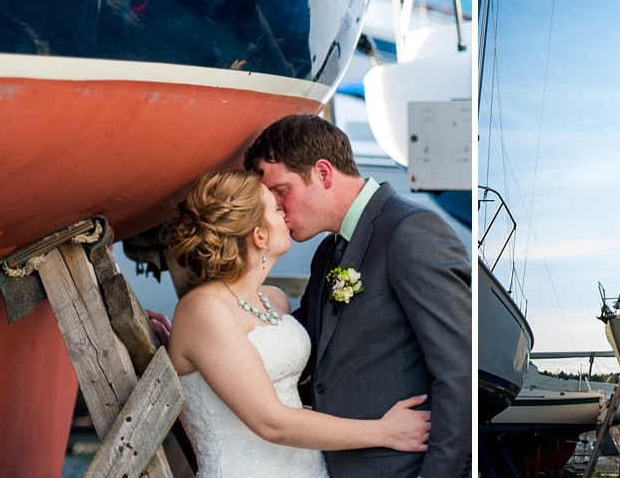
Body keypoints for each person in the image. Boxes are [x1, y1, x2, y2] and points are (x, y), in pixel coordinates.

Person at [243, 113, 472, 477]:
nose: (275, 209)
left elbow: (460, 373)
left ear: (323, 173)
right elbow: (301, 341)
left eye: (281, 191)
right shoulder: (327, 252)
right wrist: (208, 327)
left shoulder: (410, 232)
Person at [162, 169, 432, 477]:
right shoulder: (203, 311)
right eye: (276, 208)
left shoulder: (274, 299)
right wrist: (384, 432)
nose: (285, 211)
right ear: (259, 236)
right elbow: (270, 422)